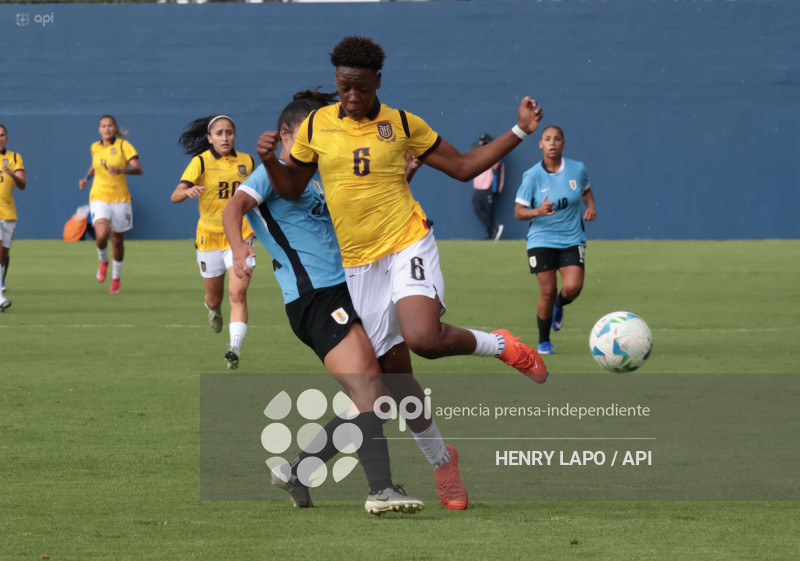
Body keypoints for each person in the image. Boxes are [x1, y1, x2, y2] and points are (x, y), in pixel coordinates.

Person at [256, 35, 549, 509]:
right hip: (359, 265)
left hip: (407, 240)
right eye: (344, 87)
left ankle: (501, 345)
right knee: (395, 381)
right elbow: (291, 188)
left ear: (378, 81)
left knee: (423, 338)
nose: (352, 97)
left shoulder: (403, 124)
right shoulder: (316, 126)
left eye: (361, 87)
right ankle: (443, 463)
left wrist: (519, 131)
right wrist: (272, 161)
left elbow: (462, 166)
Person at [222, 90, 424, 516]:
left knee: (380, 398)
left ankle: (298, 471)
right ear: (285, 135)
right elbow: (234, 206)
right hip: (314, 297)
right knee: (369, 387)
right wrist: (239, 247)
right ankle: (381, 490)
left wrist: (403, 179)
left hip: (348, 290)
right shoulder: (271, 174)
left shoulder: (315, 182)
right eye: (308, 134)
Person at [172, 115, 257, 369]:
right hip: (209, 238)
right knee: (214, 298)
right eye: (219, 133)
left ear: (235, 136)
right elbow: (175, 195)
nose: (224, 137)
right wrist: (187, 191)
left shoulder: (248, 161)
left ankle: (234, 348)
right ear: (210, 138)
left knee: (238, 293)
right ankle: (213, 309)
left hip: (240, 236)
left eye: (229, 132)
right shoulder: (200, 162)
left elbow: (259, 194)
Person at [513, 126, 596, 355]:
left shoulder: (577, 169)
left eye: (557, 139)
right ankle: (544, 342)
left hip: (571, 238)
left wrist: (590, 206)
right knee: (548, 291)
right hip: (541, 240)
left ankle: (559, 305)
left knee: (573, 288)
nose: (552, 143)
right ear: (540, 144)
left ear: (563, 144)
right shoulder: (532, 176)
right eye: (547, 139)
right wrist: (537, 211)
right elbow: (518, 212)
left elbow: (586, 191)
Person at [78, 115, 142, 294]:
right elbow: (95, 165)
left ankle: (116, 279)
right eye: (103, 126)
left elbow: (138, 168)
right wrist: (86, 178)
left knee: (117, 241)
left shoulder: (123, 145)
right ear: (99, 129)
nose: (107, 129)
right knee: (101, 235)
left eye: (110, 125)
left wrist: (122, 170)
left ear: (115, 128)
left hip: (120, 199)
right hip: (98, 196)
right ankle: (104, 261)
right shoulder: (95, 147)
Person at [0, 124, 26, 311]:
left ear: (7, 138)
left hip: (8, 213)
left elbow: (22, 185)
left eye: (2, 135)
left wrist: (13, 175)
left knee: (3, 256)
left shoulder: (15, 158)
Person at [471, 133, 505, 240]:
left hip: (490, 186)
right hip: (480, 186)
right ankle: (492, 231)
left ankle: (493, 230)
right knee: (478, 207)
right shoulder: (479, 154)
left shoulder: (496, 154)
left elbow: (495, 166)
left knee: (489, 210)